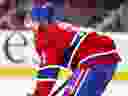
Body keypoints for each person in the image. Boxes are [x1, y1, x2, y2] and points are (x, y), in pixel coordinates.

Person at [32, 0, 121, 96]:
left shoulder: (46, 35)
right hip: (101, 60)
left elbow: (48, 71)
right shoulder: (57, 28)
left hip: (94, 61)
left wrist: (39, 94)